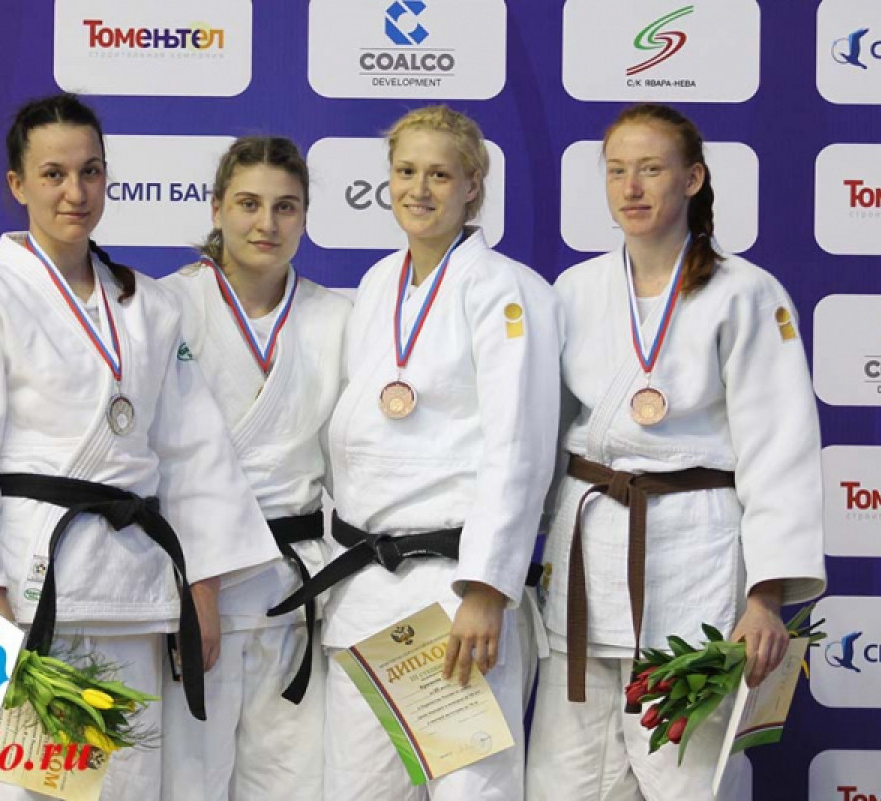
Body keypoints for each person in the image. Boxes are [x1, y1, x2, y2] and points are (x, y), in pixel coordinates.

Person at [0, 93, 280, 800]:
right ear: (17, 184)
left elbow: (194, 453)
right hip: (22, 594)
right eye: (53, 174)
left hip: (134, 595)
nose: (74, 192)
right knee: (9, 790)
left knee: (126, 786)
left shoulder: (148, 305)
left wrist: (200, 588)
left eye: (90, 171)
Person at [525, 103, 826, 800]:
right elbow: (534, 442)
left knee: (688, 781)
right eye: (617, 171)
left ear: (692, 179)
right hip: (587, 558)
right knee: (565, 783)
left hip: (695, 564)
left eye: (651, 169)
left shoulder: (745, 293)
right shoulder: (574, 291)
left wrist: (765, 595)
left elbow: (778, 451)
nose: (631, 188)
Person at [267, 105, 561, 800]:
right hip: (366, 587)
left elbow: (519, 447)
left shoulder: (506, 290)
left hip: (453, 594)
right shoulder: (376, 285)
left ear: (473, 187)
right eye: (405, 171)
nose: (418, 189)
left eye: (439, 175)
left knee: (470, 790)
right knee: (359, 790)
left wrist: (487, 587)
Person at [158, 136, 351, 801]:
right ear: (216, 208)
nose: (267, 223)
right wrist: (196, 583)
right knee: (189, 784)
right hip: (198, 585)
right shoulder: (165, 307)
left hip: (298, 586)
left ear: (305, 216)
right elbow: (156, 459)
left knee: (295, 784)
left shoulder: (338, 317)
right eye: (248, 204)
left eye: (285, 206)